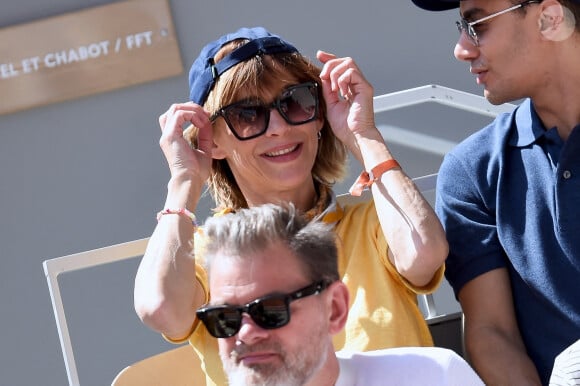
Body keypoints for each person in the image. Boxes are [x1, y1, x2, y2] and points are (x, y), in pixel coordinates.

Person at [134, 26, 449, 386]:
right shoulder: (208, 252)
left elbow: (424, 254)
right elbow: (161, 309)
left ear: (318, 116)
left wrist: (363, 134)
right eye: (247, 115)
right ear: (212, 142)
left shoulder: (373, 221)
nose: (279, 128)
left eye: (296, 101)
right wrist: (184, 180)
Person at [410, 0, 580, 384]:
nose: (461, 49)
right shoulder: (472, 170)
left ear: (550, 18)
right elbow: (492, 335)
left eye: (477, 25)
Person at [197, 203, 484, 386]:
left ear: (334, 309)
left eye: (270, 310)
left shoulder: (433, 377)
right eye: (225, 317)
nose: (246, 333)